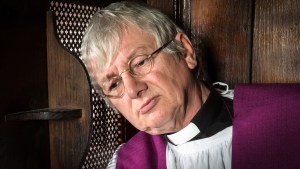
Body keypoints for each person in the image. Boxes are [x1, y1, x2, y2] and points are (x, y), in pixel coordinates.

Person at [81, 1, 233, 169]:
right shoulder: (126, 163)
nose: (133, 90)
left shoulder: (266, 122)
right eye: (114, 84)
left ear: (185, 51)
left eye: (140, 62)